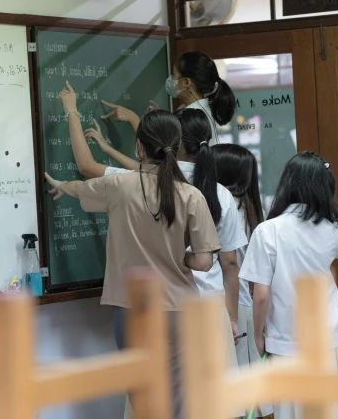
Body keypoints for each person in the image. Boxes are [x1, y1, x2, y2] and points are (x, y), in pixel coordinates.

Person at [44, 108, 220, 419]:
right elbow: (205, 261)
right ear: (176, 147)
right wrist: (180, 257)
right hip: (180, 308)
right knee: (180, 397)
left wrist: (61, 184)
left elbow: (78, 186)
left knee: (141, 396)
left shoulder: (119, 186)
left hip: (130, 308)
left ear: (139, 147)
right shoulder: (192, 195)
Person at [239, 152, 338, 419]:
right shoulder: (335, 229)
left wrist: (259, 335)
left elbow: (260, 295)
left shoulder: (268, 231)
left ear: (288, 184)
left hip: (287, 336)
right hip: (330, 334)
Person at [211, 144, 273, 419]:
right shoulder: (250, 210)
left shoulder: (222, 208)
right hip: (248, 306)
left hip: (232, 306)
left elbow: (229, 265)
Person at [95, 51, 237, 144]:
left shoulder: (194, 118)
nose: (170, 79)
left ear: (186, 82)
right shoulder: (192, 110)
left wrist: (133, 119)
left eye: (174, 75)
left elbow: (162, 155)